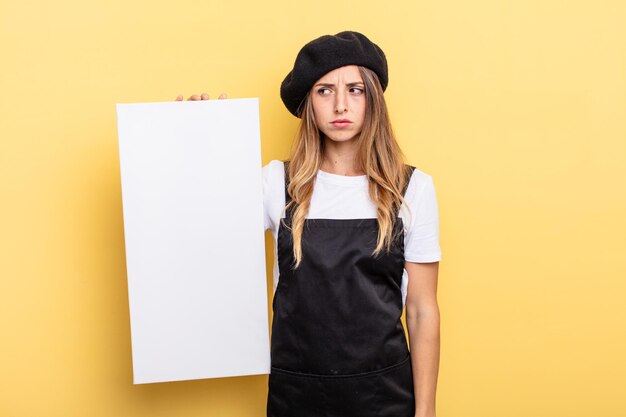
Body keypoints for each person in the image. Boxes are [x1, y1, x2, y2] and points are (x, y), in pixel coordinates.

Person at [177, 31, 441, 417]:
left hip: (384, 395)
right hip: (296, 395)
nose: (339, 105)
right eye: (323, 91)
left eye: (354, 90)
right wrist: (196, 138)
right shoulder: (274, 183)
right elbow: (197, 227)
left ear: (373, 99)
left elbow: (421, 310)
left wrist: (427, 411)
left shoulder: (412, 189)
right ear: (308, 104)